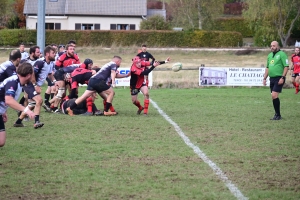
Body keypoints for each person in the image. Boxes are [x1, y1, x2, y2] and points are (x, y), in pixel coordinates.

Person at [14, 46, 56, 128]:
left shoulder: (49, 63)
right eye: (53, 53)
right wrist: (35, 85)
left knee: (32, 104)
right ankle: (37, 122)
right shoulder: (40, 62)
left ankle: (18, 122)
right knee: (39, 100)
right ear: (47, 54)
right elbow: (32, 72)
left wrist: (55, 82)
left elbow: (50, 74)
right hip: (29, 84)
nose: (55, 54)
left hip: (33, 85)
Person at [0, 63, 35, 147]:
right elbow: (9, 100)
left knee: (1, 142)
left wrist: (4, 112)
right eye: (33, 74)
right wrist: (26, 110)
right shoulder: (13, 82)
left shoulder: (19, 82)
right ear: (28, 75)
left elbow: (4, 98)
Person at [263, 41, 289, 120]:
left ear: (277, 46)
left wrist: (283, 77)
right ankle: (277, 114)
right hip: (272, 78)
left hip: (279, 78)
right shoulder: (270, 55)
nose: (272, 47)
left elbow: (286, 66)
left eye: (274, 46)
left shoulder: (282, 54)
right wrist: (264, 78)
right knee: (273, 96)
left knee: (274, 95)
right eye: (271, 46)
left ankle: (278, 115)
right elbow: (267, 68)